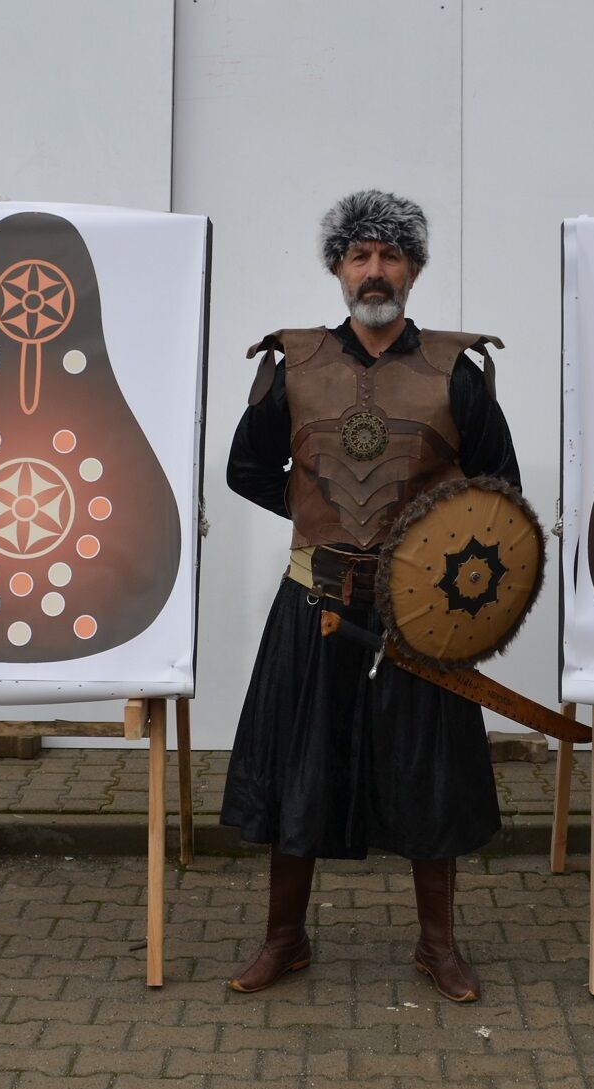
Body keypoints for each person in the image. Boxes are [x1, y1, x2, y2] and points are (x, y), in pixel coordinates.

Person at [220, 189, 519, 1003]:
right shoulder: (293, 365)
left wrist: (429, 551)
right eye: (360, 255)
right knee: (298, 767)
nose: (375, 270)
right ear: (337, 268)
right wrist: (314, 512)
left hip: (419, 612)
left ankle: (437, 947)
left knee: (428, 771)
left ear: (414, 271)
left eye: (391, 255)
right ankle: (285, 939)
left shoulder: (458, 372)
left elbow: (499, 489)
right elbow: (246, 472)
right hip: (313, 602)